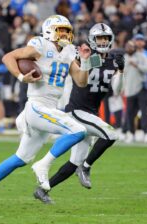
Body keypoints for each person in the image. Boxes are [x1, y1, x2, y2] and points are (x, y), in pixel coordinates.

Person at [0, 14, 91, 214]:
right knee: (78, 130)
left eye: (66, 31)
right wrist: (20, 76)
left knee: (21, 158)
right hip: (37, 106)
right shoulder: (40, 45)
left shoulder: (69, 50)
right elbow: (8, 57)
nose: (64, 34)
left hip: (50, 108)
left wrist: (85, 62)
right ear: (49, 31)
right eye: (60, 30)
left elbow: (81, 81)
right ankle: (43, 165)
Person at [33, 23, 125, 204]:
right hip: (77, 111)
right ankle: (86, 167)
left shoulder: (113, 60)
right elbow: (73, 61)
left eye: (106, 38)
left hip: (90, 113)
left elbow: (117, 90)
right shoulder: (86, 56)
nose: (103, 41)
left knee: (74, 161)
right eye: (100, 38)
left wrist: (121, 71)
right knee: (112, 134)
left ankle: (43, 190)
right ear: (93, 39)